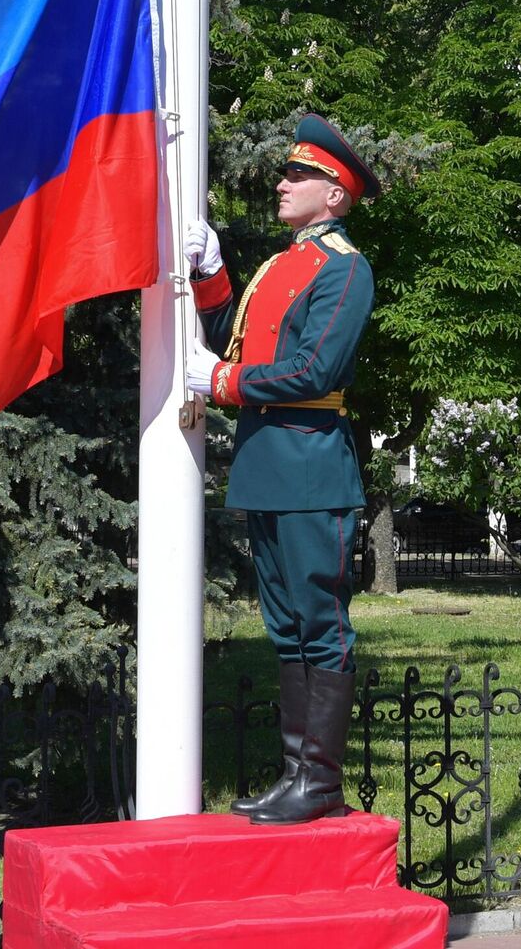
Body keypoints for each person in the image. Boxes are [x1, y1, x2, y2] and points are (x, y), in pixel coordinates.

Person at [183, 114, 377, 825]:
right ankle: (298, 775)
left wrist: (225, 384)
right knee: (287, 628)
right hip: (268, 464)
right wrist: (210, 272)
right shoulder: (280, 265)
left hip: (309, 466)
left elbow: (313, 368)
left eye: (299, 175)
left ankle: (318, 782)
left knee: (318, 626)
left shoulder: (345, 269)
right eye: (287, 171)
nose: (282, 182)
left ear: (335, 195)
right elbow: (228, 329)